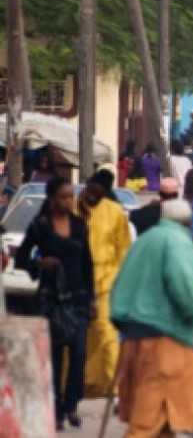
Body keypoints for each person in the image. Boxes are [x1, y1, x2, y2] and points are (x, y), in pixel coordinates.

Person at [111, 199, 193, 437]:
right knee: (148, 421)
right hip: (165, 339)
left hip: (134, 335)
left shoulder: (145, 240)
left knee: (164, 420)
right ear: (188, 222)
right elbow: (185, 286)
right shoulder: (178, 242)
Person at [15, 177, 94, 430]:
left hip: (78, 298)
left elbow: (87, 264)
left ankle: (72, 405)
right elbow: (21, 259)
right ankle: (58, 410)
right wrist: (39, 264)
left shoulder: (80, 226)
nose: (68, 201)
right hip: (51, 299)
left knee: (79, 354)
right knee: (56, 358)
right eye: (63, 196)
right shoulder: (40, 227)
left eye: (70, 196)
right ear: (52, 198)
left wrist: (92, 298)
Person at [76, 169, 132, 400]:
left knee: (107, 333)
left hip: (107, 281)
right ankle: (83, 383)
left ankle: (116, 387)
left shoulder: (115, 212)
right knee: (80, 337)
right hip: (76, 281)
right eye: (90, 190)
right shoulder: (72, 209)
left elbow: (124, 250)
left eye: (97, 193)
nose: (91, 196)